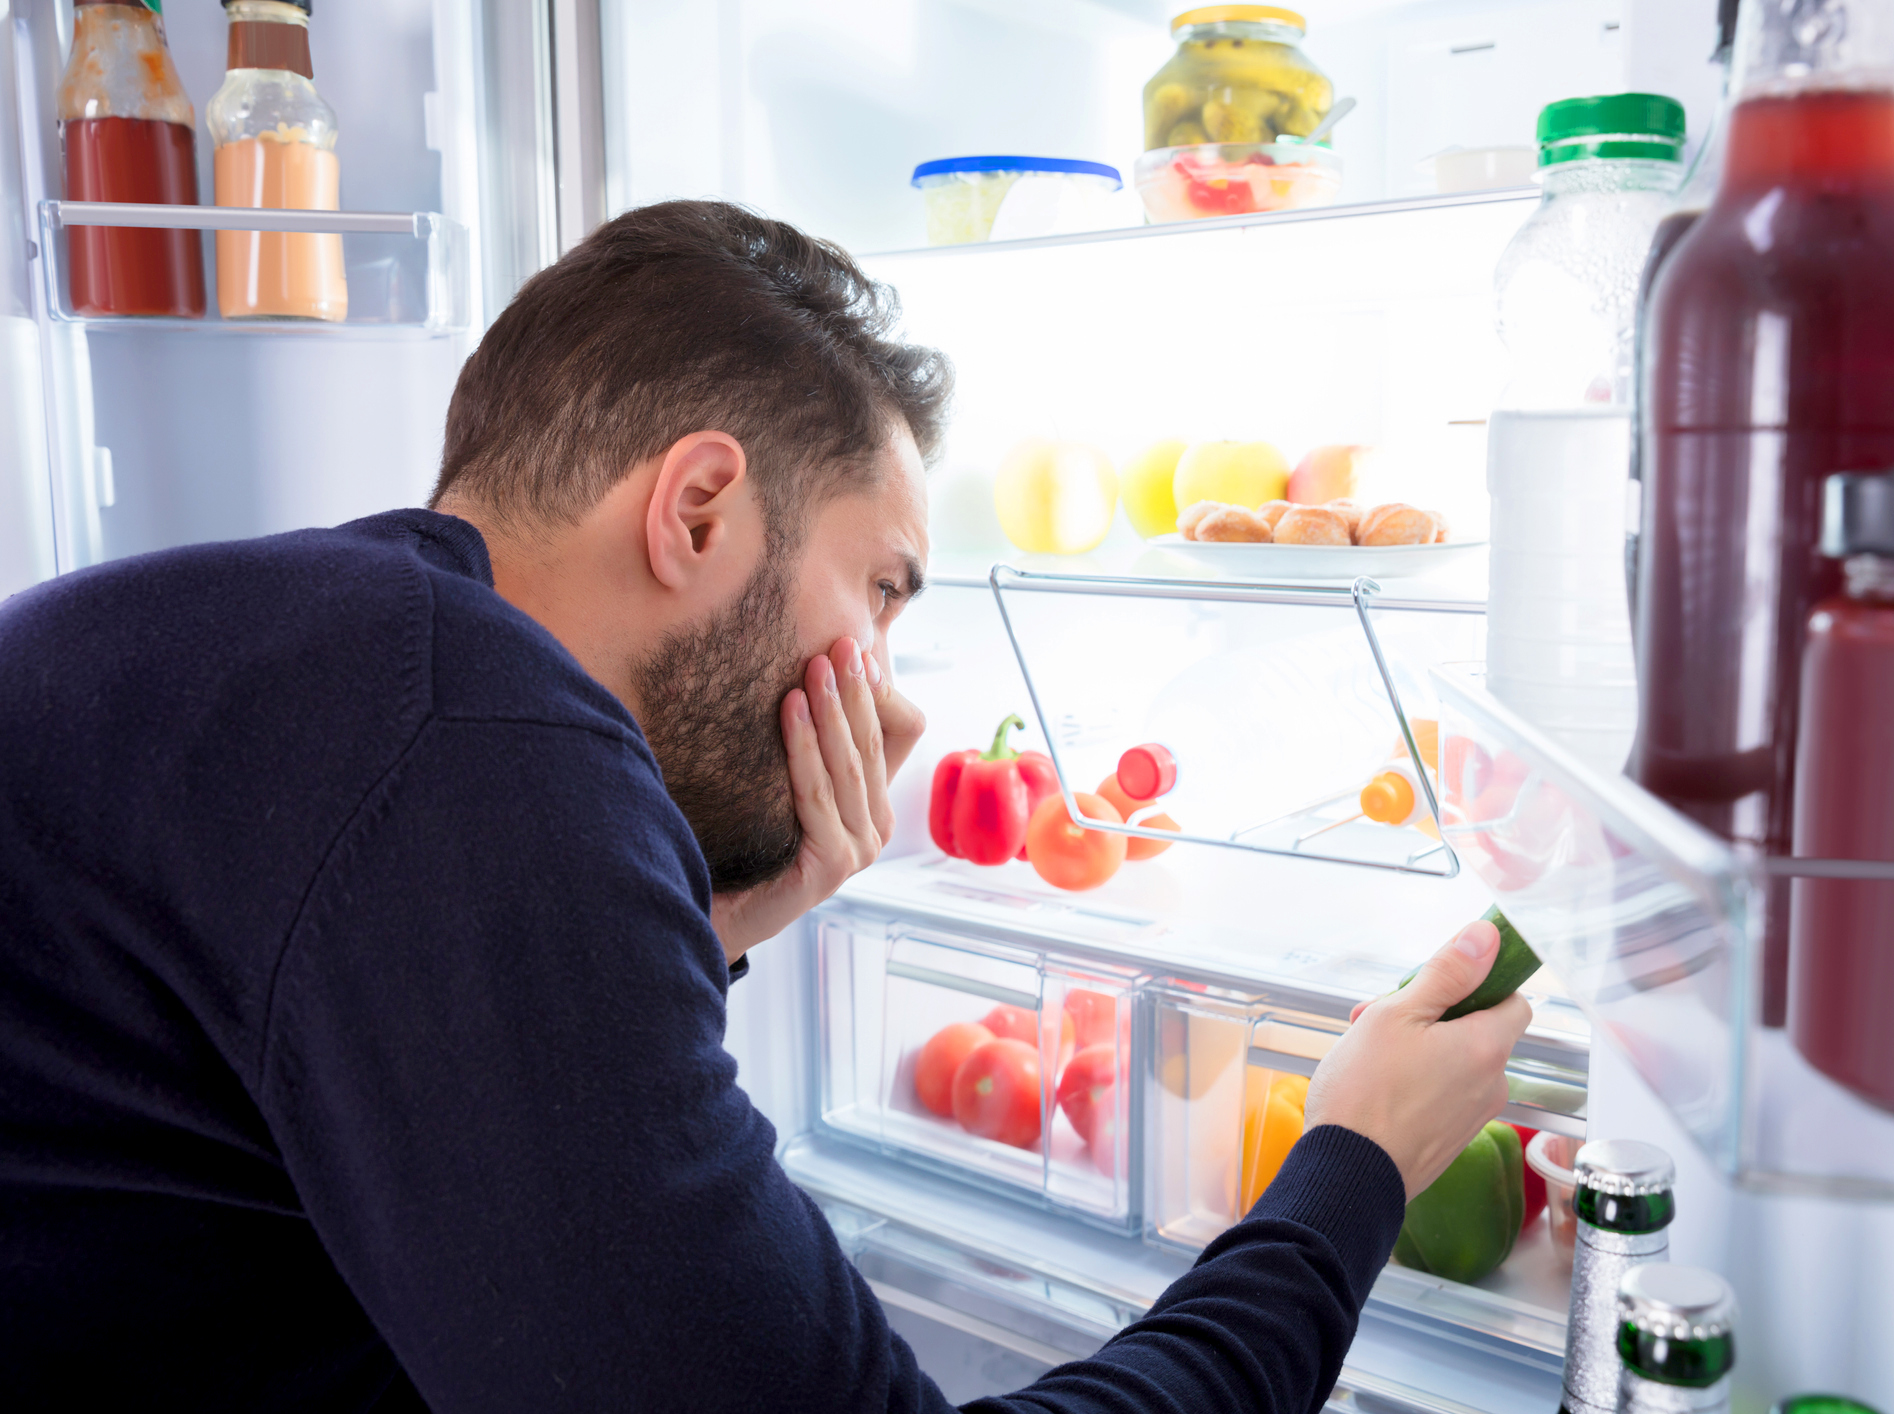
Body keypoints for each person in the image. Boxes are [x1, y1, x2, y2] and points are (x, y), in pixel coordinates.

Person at [0, 200, 1533, 1411]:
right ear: (697, 509)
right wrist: (1350, 1170)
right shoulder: (473, 735)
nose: (892, 692)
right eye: (878, 590)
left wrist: (723, 911)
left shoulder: (322, 654)